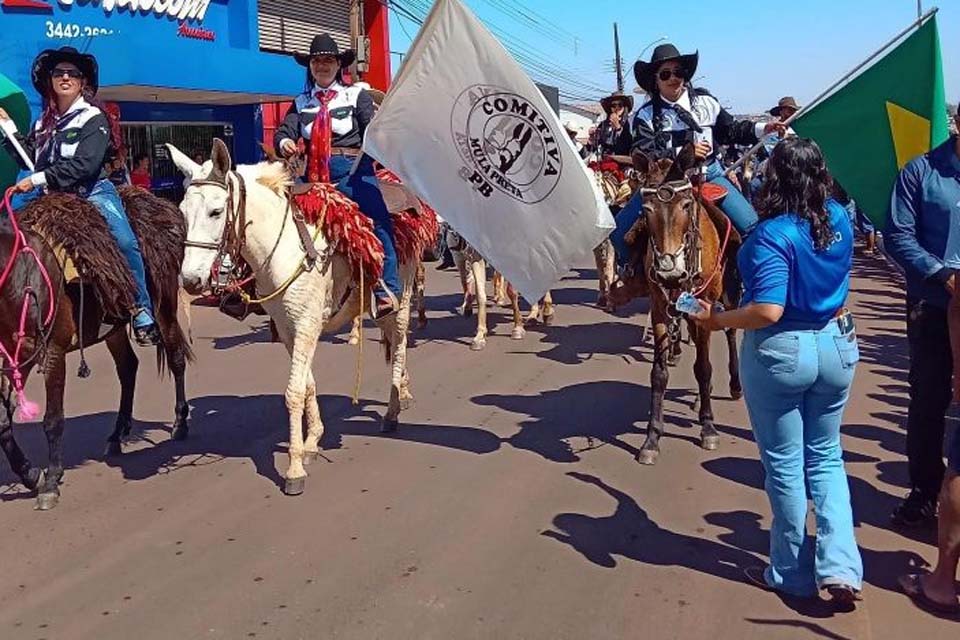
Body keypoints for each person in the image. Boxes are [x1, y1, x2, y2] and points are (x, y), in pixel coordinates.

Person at [690, 138, 863, 610]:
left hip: (783, 350)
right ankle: (841, 565)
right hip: (836, 342)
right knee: (826, 456)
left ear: (774, 178)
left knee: (786, 465)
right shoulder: (840, 219)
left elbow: (767, 310)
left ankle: (790, 573)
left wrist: (716, 319)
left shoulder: (772, 236)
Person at [0, 46, 159, 345]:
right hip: (52, 200)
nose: (65, 77)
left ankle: (141, 308)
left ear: (82, 81)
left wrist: (36, 179)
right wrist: (7, 128)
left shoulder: (92, 117)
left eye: (72, 73)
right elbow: (29, 159)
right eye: (58, 73)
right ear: (49, 81)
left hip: (92, 194)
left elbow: (84, 165)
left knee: (124, 241)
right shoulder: (43, 124)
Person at [609, 44, 785, 266]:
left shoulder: (706, 102)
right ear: (656, 80)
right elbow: (644, 151)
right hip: (665, 183)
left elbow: (730, 130)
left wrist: (762, 129)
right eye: (666, 74)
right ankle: (636, 275)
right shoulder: (643, 116)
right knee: (618, 234)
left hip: (708, 175)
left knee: (751, 227)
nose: (674, 78)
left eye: (678, 72)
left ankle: (739, 281)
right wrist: (683, 152)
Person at [274, 33, 399, 318]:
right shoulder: (302, 101)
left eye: (328, 60)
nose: (322, 66)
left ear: (338, 65)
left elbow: (372, 129)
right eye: (317, 61)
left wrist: (376, 139)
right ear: (310, 66)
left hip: (351, 172)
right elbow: (284, 131)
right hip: (312, 177)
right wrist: (285, 143)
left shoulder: (356, 95)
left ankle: (386, 290)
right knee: (276, 219)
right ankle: (257, 292)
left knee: (379, 221)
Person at [884, 109, 960, 527]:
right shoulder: (921, 173)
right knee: (929, 398)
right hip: (933, 304)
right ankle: (925, 491)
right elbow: (898, 234)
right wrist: (942, 274)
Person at [594, 90, 633, 157]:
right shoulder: (603, 124)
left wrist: (618, 127)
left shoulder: (629, 123)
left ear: (624, 107)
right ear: (610, 108)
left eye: (620, 105)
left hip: (623, 161)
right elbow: (595, 145)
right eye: (613, 105)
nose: (616, 108)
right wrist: (593, 138)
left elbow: (629, 144)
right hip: (606, 160)